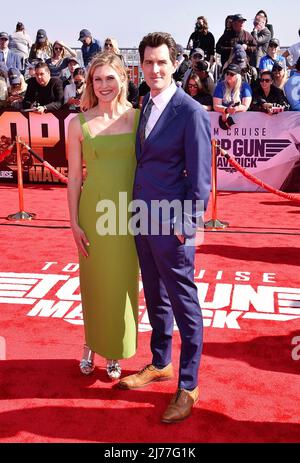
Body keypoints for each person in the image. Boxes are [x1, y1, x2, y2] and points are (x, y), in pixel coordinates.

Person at [118, 32, 212, 424]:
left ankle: (188, 385)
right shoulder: (145, 103)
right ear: (140, 66)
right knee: (154, 296)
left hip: (172, 226)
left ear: (175, 64)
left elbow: (202, 180)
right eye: (148, 63)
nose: (155, 69)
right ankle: (160, 362)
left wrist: (185, 227)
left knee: (184, 305)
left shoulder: (190, 111)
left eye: (161, 62)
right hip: (142, 219)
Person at [67, 53, 139, 380]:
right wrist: (74, 223)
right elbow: (73, 179)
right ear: (90, 83)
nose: (104, 85)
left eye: (110, 78)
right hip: (94, 215)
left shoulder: (138, 119)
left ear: (123, 79)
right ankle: (90, 343)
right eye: (98, 79)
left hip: (128, 216)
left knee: (122, 284)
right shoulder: (78, 124)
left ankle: (115, 348)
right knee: (95, 284)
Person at [213, 63, 252, 130]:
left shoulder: (245, 86)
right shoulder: (220, 86)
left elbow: (245, 106)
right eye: (227, 73)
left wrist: (236, 109)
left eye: (232, 74)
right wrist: (226, 110)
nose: (228, 75)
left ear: (238, 76)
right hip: (222, 121)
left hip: (241, 123)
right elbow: (216, 106)